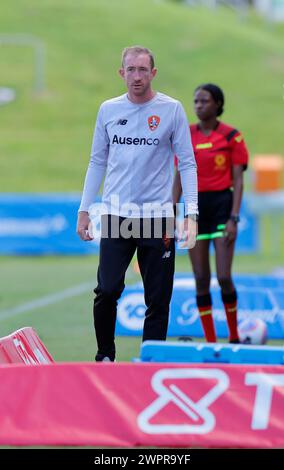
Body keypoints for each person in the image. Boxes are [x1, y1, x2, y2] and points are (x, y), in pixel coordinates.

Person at [77, 46, 198, 361]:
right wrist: (84, 209)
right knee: (107, 290)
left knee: (158, 299)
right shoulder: (108, 110)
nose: (137, 76)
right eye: (130, 69)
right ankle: (105, 356)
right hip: (117, 215)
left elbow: (187, 163)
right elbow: (96, 161)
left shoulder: (171, 110)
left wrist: (192, 214)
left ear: (153, 73)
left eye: (143, 70)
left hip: (158, 219)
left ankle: (150, 362)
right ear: (121, 73)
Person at [173, 83, 249, 343]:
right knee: (201, 278)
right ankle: (211, 342)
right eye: (195, 101)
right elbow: (179, 176)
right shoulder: (186, 135)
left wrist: (234, 217)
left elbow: (238, 180)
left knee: (224, 277)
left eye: (204, 101)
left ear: (217, 104)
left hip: (221, 207)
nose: (198, 106)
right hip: (195, 209)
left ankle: (235, 338)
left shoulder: (231, 137)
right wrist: (173, 211)